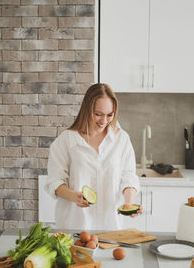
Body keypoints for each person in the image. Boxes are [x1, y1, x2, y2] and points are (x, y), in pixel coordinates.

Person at [45, 83, 142, 230]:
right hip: (74, 224)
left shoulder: (121, 139)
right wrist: (74, 196)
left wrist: (129, 203)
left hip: (110, 226)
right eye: (98, 114)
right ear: (86, 110)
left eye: (110, 115)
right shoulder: (67, 140)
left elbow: (128, 177)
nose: (104, 121)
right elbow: (54, 182)